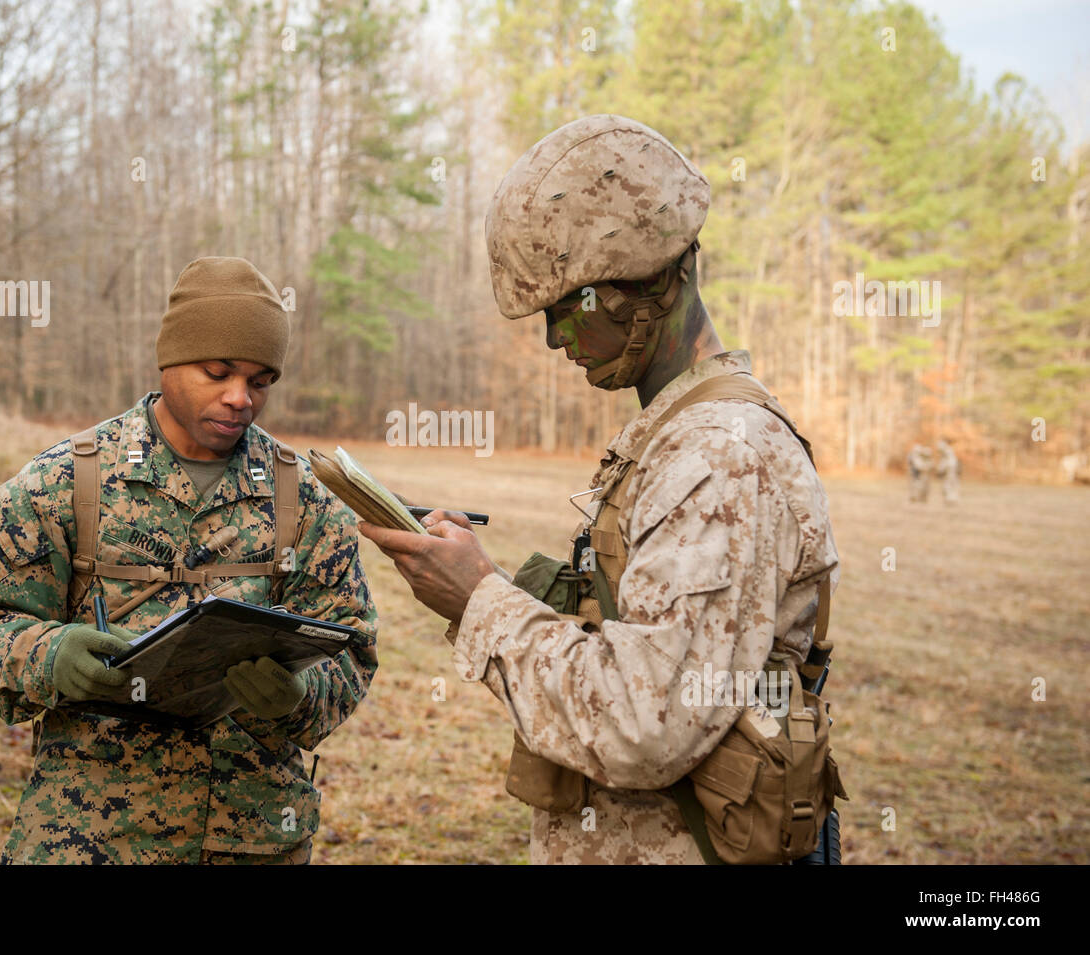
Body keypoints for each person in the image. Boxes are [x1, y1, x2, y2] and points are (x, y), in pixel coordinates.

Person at [360, 115, 840, 864]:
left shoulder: (718, 455)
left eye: (565, 307)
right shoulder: (680, 433)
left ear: (642, 287)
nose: (555, 338)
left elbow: (648, 724)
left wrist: (479, 599)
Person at [0, 256, 378, 864]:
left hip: (249, 839)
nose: (239, 398)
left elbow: (351, 649)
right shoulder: (62, 482)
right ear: (169, 360)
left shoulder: (304, 502)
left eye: (260, 381)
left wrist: (298, 695)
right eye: (217, 371)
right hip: (88, 837)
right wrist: (51, 655)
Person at [936, 439, 960, 504]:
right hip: (950, 470)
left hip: (949, 471)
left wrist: (941, 469)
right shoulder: (948, 452)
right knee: (949, 484)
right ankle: (950, 498)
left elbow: (947, 462)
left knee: (948, 484)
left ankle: (951, 498)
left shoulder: (947, 453)